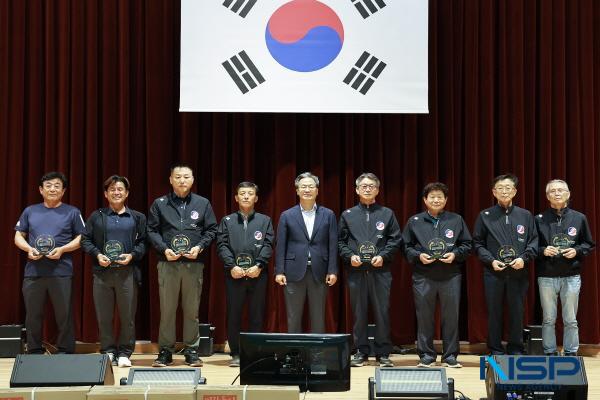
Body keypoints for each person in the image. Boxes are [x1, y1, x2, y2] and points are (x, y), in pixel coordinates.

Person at [148, 164, 217, 367]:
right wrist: (163, 249)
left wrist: (200, 247)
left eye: (186, 176)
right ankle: (165, 352)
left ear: (193, 180)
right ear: (170, 180)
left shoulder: (202, 203)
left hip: (193, 264)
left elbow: (211, 230)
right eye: (177, 177)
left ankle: (191, 350)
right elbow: (151, 231)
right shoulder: (159, 204)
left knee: (191, 310)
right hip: (167, 263)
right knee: (167, 310)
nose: (182, 180)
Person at [14, 171, 85, 354]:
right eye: (48, 185)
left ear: (63, 191)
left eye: (57, 186)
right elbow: (18, 236)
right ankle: (35, 349)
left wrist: (62, 249)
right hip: (34, 271)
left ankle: (65, 350)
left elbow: (81, 238)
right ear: (40, 189)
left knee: (64, 315)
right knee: (33, 315)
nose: (52, 189)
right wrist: (29, 249)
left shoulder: (72, 212)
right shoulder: (30, 211)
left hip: (61, 271)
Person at [402, 182, 472, 368]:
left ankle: (450, 356)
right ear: (425, 200)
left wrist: (455, 254)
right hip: (423, 275)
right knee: (424, 316)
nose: (436, 200)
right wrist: (418, 256)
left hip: (450, 275)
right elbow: (405, 247)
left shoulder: (456, 220)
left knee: (451, 317)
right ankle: (426, 356)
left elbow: (467, 244)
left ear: (446, 200)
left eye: (440, 197)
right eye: (432, 197)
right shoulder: (414, 221)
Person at [81, 175, 147, 367]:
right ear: (105, 193)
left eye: (120, 189)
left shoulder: (137, 217)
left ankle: (125, 352)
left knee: (128, 316)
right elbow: (85, 239)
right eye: (112, 189)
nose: (116, 192)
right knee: (104, 316)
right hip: (102, 273)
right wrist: (97, 255)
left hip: (127, 273)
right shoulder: (97, 216)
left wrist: (132, 255)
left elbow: (144, 242)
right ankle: (108, 350)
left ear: (126, 193)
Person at [338, 173, 402, 367]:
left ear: (377, 190)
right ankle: (361, 351)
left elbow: (395, 239)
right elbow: (340, 241)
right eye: (363, 186)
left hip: (380, 271)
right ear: (356, 190)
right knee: (359, 312)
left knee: (382, 311)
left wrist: (382, 256)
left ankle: (383, 353)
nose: (367, 189)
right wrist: (350, 256)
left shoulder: (387, 213)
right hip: (356, 271)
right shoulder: (347, 215)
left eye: (371, 186)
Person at [473, 174, 538, 355]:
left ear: (515, 191)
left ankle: (516, 348)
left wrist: (523, 259)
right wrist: (491, 260)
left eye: (508, 187)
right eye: (500, 188)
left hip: (518, 272)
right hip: (493, 272)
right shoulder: (485, 215)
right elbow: (477, 244)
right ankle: (494, 348)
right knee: (494, 312)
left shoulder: (525, 215)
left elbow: (533, 242)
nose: (504, 191)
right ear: (494, 192)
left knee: (517, 311)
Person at [217, 182, 274, 367]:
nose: (247, 196)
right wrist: (231, 266)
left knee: (257, 315)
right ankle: (236, 353)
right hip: (234, 275)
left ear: (256, 198)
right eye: (242, 193)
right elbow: (222, 245)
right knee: (234, 314)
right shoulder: (227, 221)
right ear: (236, 198)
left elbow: (268, 244)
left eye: (250, 193)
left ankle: (254, 353)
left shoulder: (265, 221)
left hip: (257, 274)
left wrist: (259, 265)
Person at [535, 179, 595, 356]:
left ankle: (570, 352)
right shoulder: (539, 219)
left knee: (570, 319)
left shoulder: (579, 218)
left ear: (568, 194)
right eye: (552, 191)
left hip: (571, 276)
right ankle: (550, 352)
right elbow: (531, 248)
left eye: (561, 190)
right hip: (546, 276)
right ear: (547, 196)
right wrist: (543, 250)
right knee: (548, 319)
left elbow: (589, 244)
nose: (557, 193)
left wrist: (576, 251)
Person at [275, 172, 338, 333]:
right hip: (293, 272)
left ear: (317, 190)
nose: (307, 189)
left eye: (311, 186)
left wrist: (332, 270)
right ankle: (295, 354)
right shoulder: (287, 215)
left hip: (320, 271)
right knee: (293, 316)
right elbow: (280, 245)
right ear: (297, 190)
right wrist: (279, 271)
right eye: (303, 186)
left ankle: (317, 355)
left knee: (318, 317)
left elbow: (332, 244)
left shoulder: (328, 214)